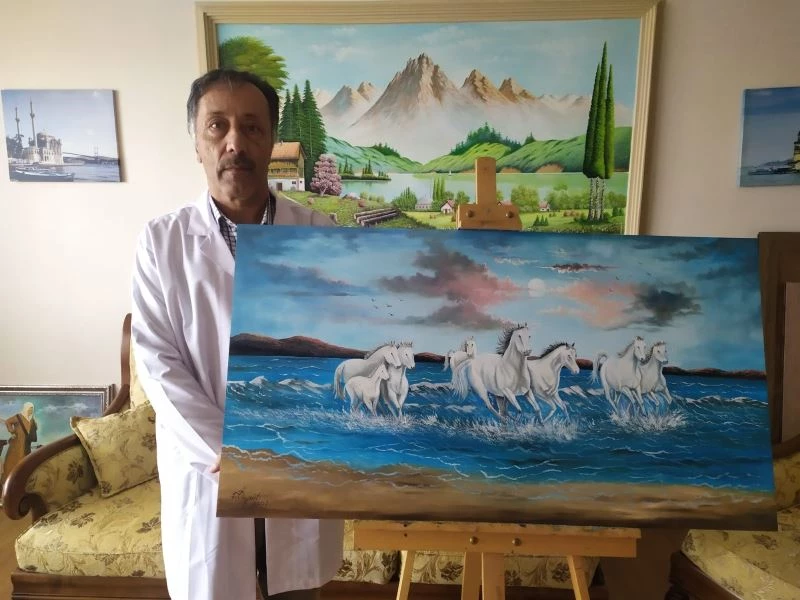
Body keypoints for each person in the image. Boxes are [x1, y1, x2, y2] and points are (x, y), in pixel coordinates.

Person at [130, 68, 343, 600]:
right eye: (217, 126)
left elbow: (334, 344)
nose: (234, 142)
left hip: (299, 465)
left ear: (271, 141)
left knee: (299, 588)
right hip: (209, 472)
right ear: (196, 143)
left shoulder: (319, 236)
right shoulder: (162, 242)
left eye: (251, 127)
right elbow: (158, 364)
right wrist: (227, 449)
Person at [1, 402, 37, 486]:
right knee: (12, 463)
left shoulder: (32, 420)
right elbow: (8, 422)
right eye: (29, 409)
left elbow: (32, 431)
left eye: (32, 409)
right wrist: (12, 432)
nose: (31, 411)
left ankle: (20, 483)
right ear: (25, 409)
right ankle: (6, 483)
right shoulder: (18, 417)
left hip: (26, 446)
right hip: (16, 445)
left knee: (24, 463)